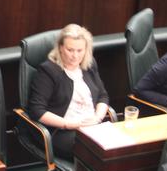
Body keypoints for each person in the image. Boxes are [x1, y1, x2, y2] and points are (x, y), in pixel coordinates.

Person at [27, 24, 110, 159]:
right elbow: (37, 110)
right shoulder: (48, 71)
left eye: (80, 50)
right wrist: (68, 124)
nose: (75, 56)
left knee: (119, 147)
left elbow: (102, 96)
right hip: (62, 131)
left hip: (93, 127)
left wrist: (98, 118)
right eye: (70, 50)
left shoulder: (89, 64)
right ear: (60, 48)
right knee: (96, 154)